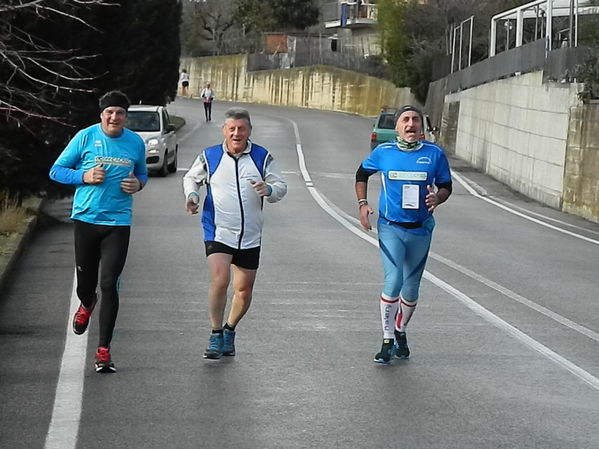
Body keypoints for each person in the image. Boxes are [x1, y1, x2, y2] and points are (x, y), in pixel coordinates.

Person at [49, 90, 147, 373]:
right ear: (101, 115)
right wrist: (84, 176)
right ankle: (86, 303)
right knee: (87, 286)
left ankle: (104, 351)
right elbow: (56, 171)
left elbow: (141, 173)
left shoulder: (135, 143)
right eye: (109, 113)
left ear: (126, 117)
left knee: (110, 283)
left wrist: (138, 184)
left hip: (118, 222)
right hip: (86, 219)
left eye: (119, 113)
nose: (114, 117)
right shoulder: (85, 137)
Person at [183, 107, 287, 360]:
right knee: (220, 281)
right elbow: (190, 178)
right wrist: (193, 195)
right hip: (218, 230)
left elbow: (281, 186)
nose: (237, 133)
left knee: (243, 291)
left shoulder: (262, 157)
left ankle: (230, 329)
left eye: (241, 129)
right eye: (232, 129)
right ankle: (215, 333)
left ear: (249, 131)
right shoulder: (210, 156)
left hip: (250, 234)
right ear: (225, 131)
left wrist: (269, 189)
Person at [355, 105, 452, 364]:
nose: (411, 124)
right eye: (405, 120)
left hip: (420, 229)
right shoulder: (384, 152)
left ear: (421, 127)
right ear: (397, 127)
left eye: (415, 120)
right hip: (391, 227)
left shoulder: (434, 154)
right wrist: (363, 204)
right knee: (393, 279)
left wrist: (438, 198)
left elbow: (446, 185)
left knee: (411, 289)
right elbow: (362, 173)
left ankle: (400, 329)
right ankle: (387, 339)